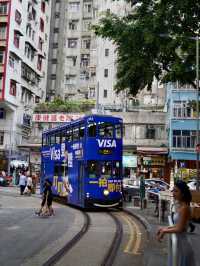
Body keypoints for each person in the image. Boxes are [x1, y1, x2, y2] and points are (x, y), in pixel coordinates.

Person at [156, 180, 196, 266]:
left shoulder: (184, 208)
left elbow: (180, 228)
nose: (173, 193)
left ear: (183, 193)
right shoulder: (180, 206)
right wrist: (164, 228)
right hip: (178, 244)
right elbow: (177, 225)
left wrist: (164, 231)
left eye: (176, 191)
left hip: (182, 246)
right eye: (173, 190)